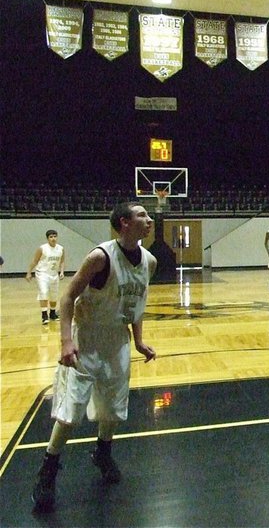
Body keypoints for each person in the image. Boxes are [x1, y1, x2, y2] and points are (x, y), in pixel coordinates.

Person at [31, 202, 157, 513]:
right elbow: (68, 296)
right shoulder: (100, 257)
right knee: (71, 408)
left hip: (117, 339)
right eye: (142, 214)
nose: (149, 219)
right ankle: (49, 467)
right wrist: (65, 342)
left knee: (113, 406)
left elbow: (135, 303)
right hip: (86, 338)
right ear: (124, 223)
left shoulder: (149, 261)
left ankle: (103, 452)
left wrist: (139, 341)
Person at [26, 230, 66, 325]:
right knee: (43, 292)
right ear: (47, 238)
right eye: (51, 237)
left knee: (54, 295)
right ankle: (44, 315)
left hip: (54, 274)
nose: (53, 238)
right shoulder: (42, 249)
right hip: (42, 273)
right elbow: (35, 261)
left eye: (55, 236)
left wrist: (62, 272)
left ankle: (52, 314)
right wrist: (29, 272)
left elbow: (62, 261)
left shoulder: (61, 249)